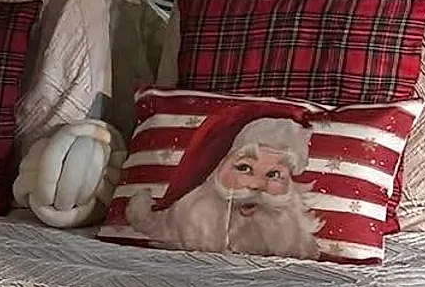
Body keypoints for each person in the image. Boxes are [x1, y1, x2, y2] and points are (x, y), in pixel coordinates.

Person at [126, 107, 323, 259]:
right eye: (244, 168)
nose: (257, 185)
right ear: (214, 172)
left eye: (273, 174)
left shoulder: (293, 233)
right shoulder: (195, 211)